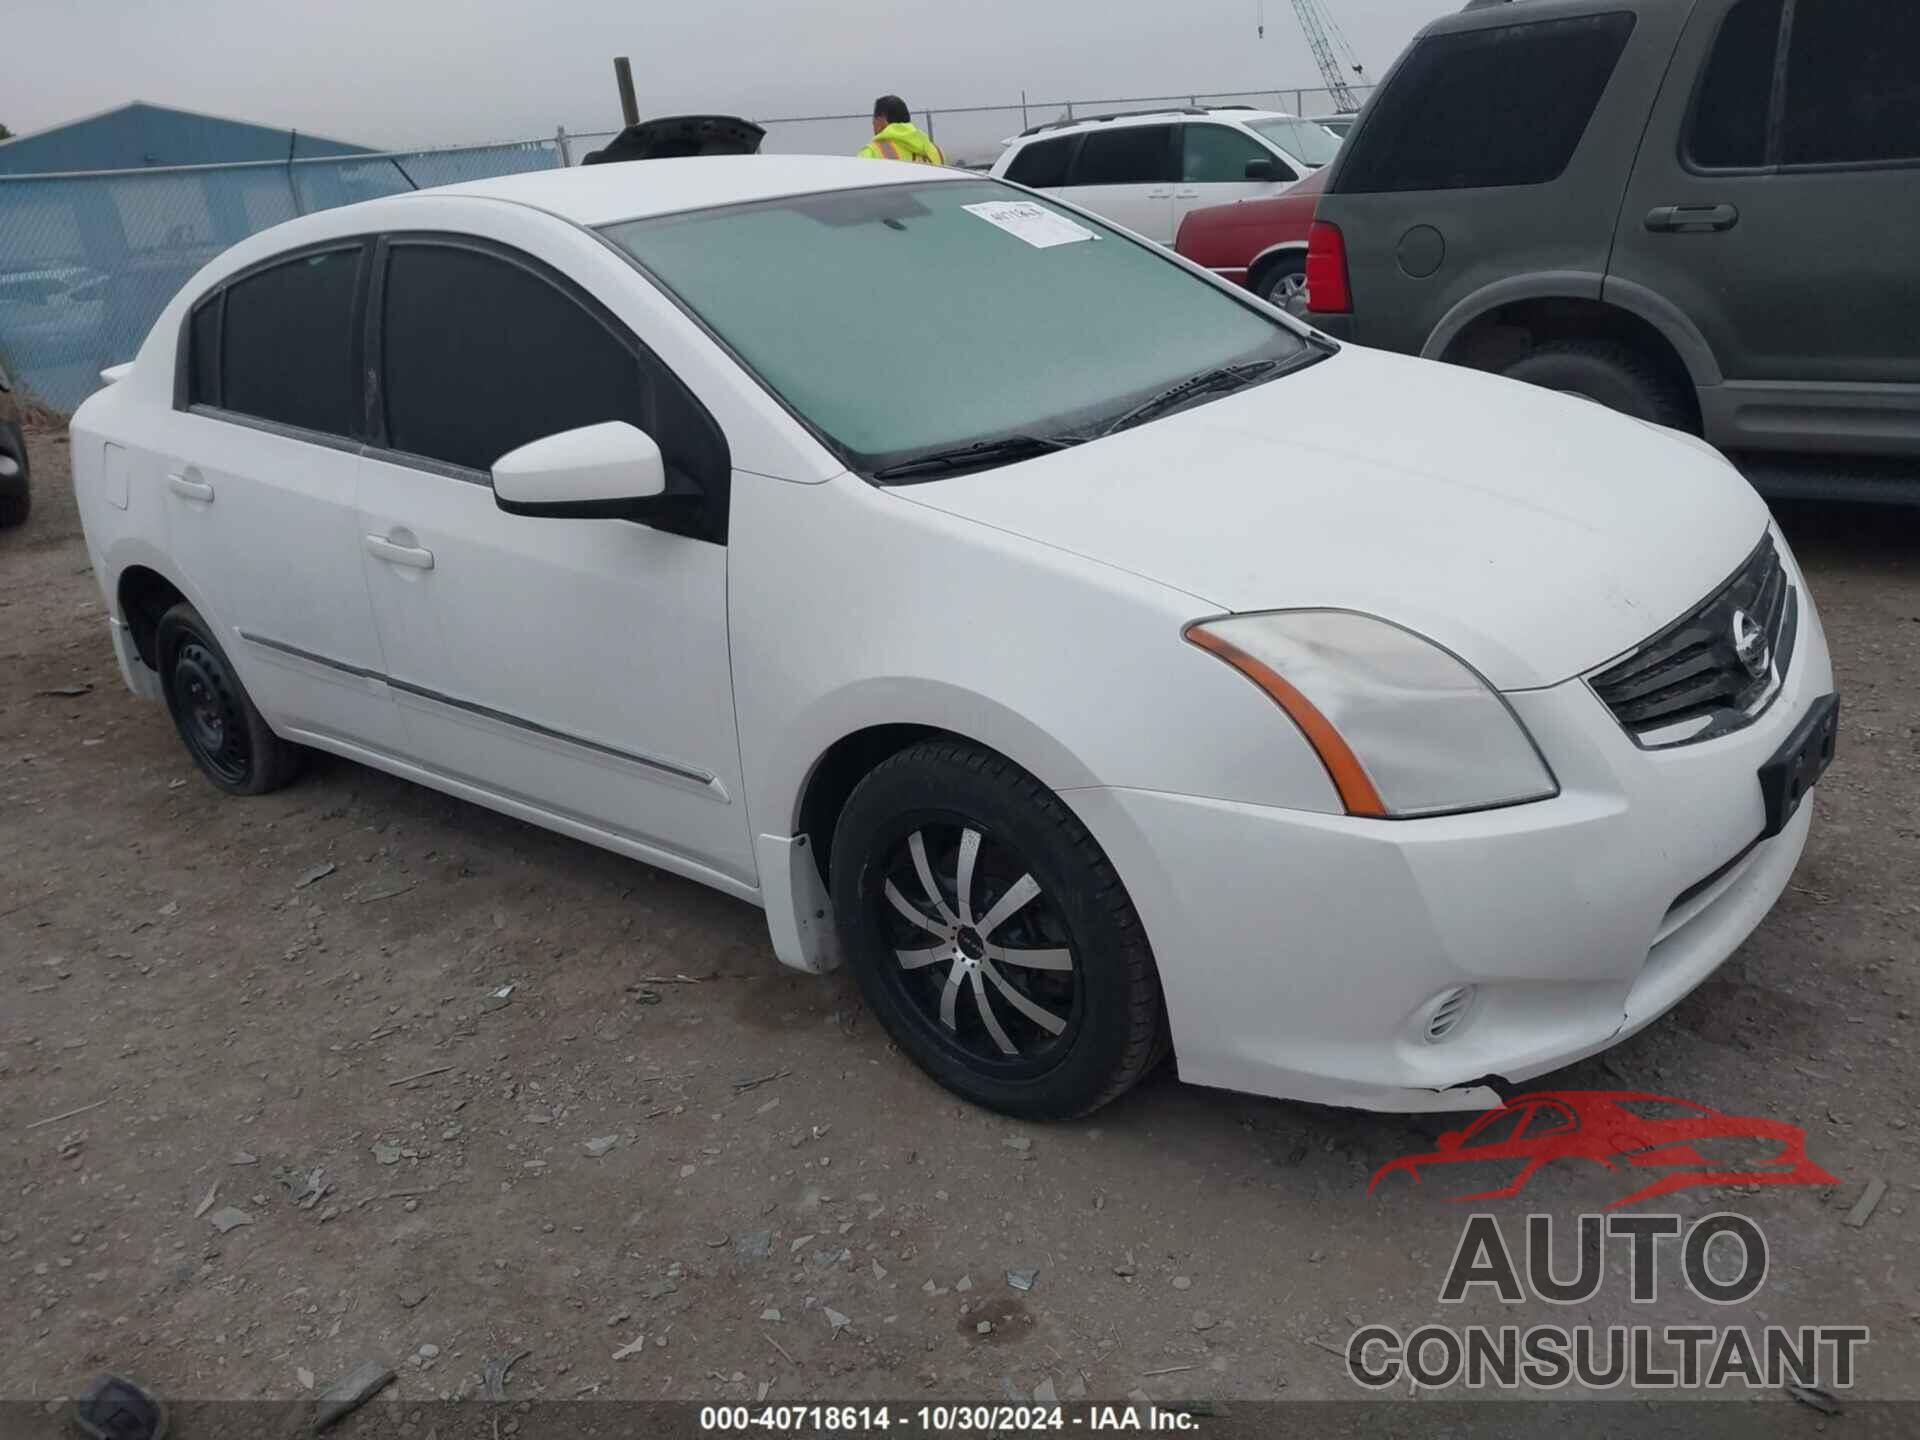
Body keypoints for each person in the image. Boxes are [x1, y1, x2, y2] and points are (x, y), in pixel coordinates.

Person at [857, 96, 946, 164]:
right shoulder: (937, 152)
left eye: (874, 119)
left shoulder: (871, 153)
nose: (873, 124)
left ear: (882, 120)